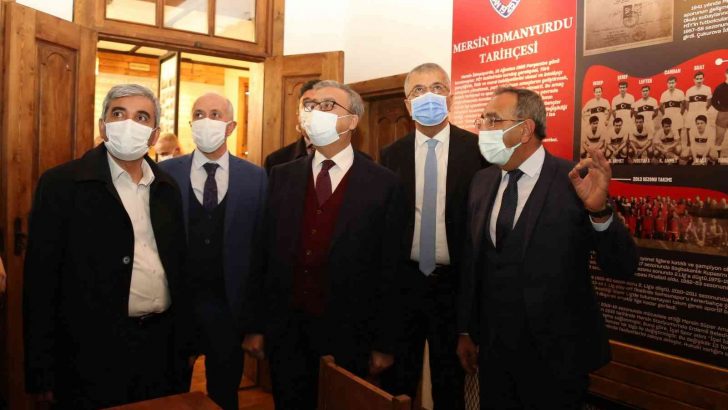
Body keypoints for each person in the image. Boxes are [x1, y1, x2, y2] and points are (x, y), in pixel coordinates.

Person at [456, 87, 638, 409]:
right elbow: (474, 262)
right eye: (483, 119)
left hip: (556, 358)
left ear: (525, 130)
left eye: (493, 120)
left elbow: (623, 265)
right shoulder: (482, 181)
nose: (483, 128)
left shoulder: (574, 181)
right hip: (495, 356)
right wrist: (466, 329)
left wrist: (599, 211)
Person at [23, 84, 189, 409]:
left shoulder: (167, 187)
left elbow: (179, 267)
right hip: (91, 354)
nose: (129, 124)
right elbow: (40, 284)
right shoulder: (62, 185)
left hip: (160, 347)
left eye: (142, 117)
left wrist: (185, 343)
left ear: (154, 135)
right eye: (119, 113)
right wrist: (41, 372)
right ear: (103, 126)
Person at [249, 80, 406, 410]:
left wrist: (385, 344)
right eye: (311, 106)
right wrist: (256, 326)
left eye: (327, 106)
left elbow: (391, 270)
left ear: (352, 121)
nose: (315, 112)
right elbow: (263, 255)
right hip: (288, 332)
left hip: (350, 334)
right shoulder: (281, 175)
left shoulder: (384, 184)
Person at [379, 63, 488, 408]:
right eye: (419, 90)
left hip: (453, 287)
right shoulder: (391, 154)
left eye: (437, 88)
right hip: (405, 284)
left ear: (450, 98)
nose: (429, 96)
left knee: (449, 386)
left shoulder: (478, 151)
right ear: (407, 105)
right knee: (398, 384)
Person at [159, 93, 267, 410]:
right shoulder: (165, 173)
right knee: (170, 396)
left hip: (228, 312)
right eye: (199, 114)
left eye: (215, 114)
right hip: (176, 310)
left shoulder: (255, 177)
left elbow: (261, 254)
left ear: (230, 126)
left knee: (224, 396)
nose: (206, 120)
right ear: (191, 124)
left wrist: (256, 325)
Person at [263, 79, 320, 173]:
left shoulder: (344, 156)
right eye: (308, 105)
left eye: (324, 106)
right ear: (298, 112)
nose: (314, 112)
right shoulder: (276, 162)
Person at [684, 71, 712, 142]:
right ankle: (689, 143)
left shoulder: (707, 89)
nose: (699, 80)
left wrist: (703, 110)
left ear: (703, 79)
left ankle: (703, 142)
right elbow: (686, 103)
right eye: (697, 79)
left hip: (702, 111)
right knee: (689, 127)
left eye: (700, 78)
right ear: (694, 80)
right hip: (692, 112)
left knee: (704, 127)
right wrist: (691, 111)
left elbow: (709, 102)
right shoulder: (689, 90)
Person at [660, 76, 686, 146]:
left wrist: (680, 114)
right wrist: (665, 114)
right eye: (669, 83)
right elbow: (661, 106)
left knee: (678, 134)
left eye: (672, 83)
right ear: (667, 84)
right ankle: (669, 147)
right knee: (668, 133)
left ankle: (678, 147)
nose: (671, 85)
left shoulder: (680, 92)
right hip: (668, 116)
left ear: (675, 83)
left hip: (677, 116)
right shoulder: (664, 94)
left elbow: (684, 105)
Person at [711, 67, 728, 152]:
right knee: (719, 137)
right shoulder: (720, 87)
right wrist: (721, 109)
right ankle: (717, 157)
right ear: (726, 74)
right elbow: (713, 101)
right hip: (723, 114)